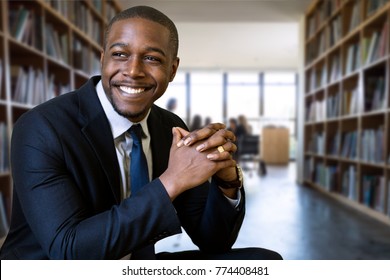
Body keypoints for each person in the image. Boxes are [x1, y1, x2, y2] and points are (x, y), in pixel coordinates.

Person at [0, 6, 281, 260]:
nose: (133, 71)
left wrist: (226, 181)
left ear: (172, 70)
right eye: (120, 54)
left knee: (265, 262)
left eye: (151, 58)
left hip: (135, 265)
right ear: (103, 59)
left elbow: (214, 242)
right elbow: (69, 250)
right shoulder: (41, 127)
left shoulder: (168, 127)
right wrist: (173, 180)